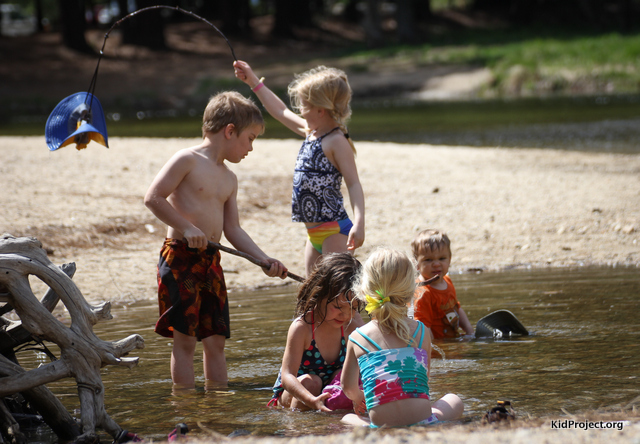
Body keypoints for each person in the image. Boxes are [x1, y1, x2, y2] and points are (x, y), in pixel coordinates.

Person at [144, 91, 288, 389]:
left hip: (211, 261)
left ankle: (216, 407)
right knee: (185, 341)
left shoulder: (229, 179)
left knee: (216, 340)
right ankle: (184, 408)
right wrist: (186, 228)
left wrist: (263, 260)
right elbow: (153, 198)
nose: (251, 147)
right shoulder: (187, 160)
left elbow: (233, 230)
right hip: (181, 258)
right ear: (230, 131)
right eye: (250, 138)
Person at [233, 60, 365, 276]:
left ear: (321, 110)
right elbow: (280, 110)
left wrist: (359, 224)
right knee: (312, 296)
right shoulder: (310, 132)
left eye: (304, 106)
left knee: (338, 297)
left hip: (335, 231)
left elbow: (353, 183)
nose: (301, 112)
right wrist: (252, 81)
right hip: (313, 234)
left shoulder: (336, 141)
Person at [341, 248, 465, 428]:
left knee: (346, 419)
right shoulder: (420, 331)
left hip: (381, 426)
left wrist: (360, 398)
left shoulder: (357, 337)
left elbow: (348, 388)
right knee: (454, 400)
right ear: (411, 289)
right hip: (423, 422)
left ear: (365, 288)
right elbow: (424, 379)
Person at [267, 253, 364, 411]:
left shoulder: (350, 326)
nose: (345, 315)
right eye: (338, 307)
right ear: (318, 295)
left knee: (346, 376)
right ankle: (297, 427)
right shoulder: (302, 328)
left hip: (328, 389)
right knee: (312, 382)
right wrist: (311, 400)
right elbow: (287, 377)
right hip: (296, 393)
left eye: (353, 308)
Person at [411, 229, 473, 339]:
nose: (436, 264)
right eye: (428, 260)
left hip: (452, 341)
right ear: (416, 263)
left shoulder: (447, 281)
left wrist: (469, 331)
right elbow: (423, 330)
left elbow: (456, 308)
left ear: (449, 259)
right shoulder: (422, 293)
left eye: (442, 258)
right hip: (438, 348)